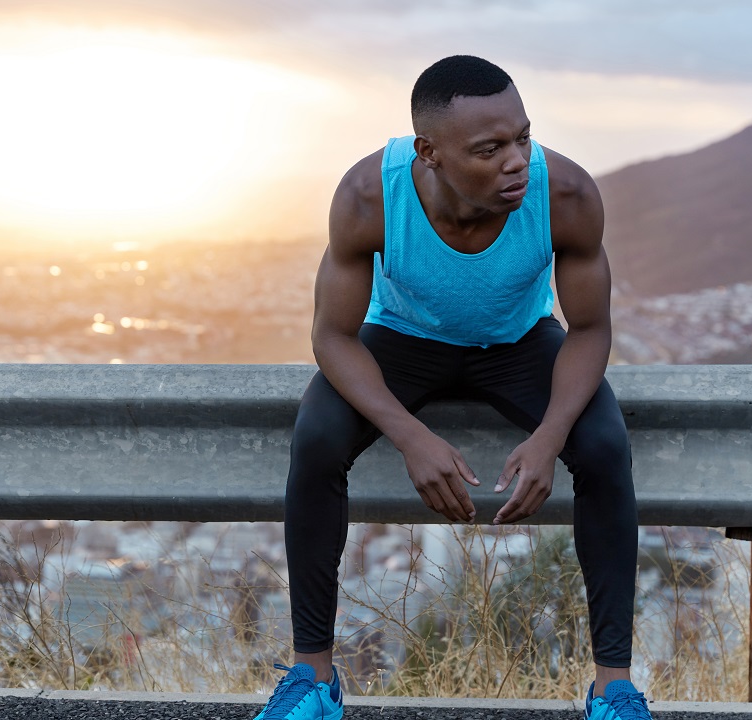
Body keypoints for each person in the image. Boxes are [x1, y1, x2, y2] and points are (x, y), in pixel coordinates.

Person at [253, 55, 653, 720]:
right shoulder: (367, 197)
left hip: (519, 343)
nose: (517, 162)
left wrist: (550, 436)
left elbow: (589, 330)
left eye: (523, 138)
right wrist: (409, 436)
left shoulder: (568, 195)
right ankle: (313, 682)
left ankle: (613, 689)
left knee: (606, 447)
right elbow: (333, 338)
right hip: (402, 340)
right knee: (317, 438)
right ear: (430, 153)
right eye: (490, 149)